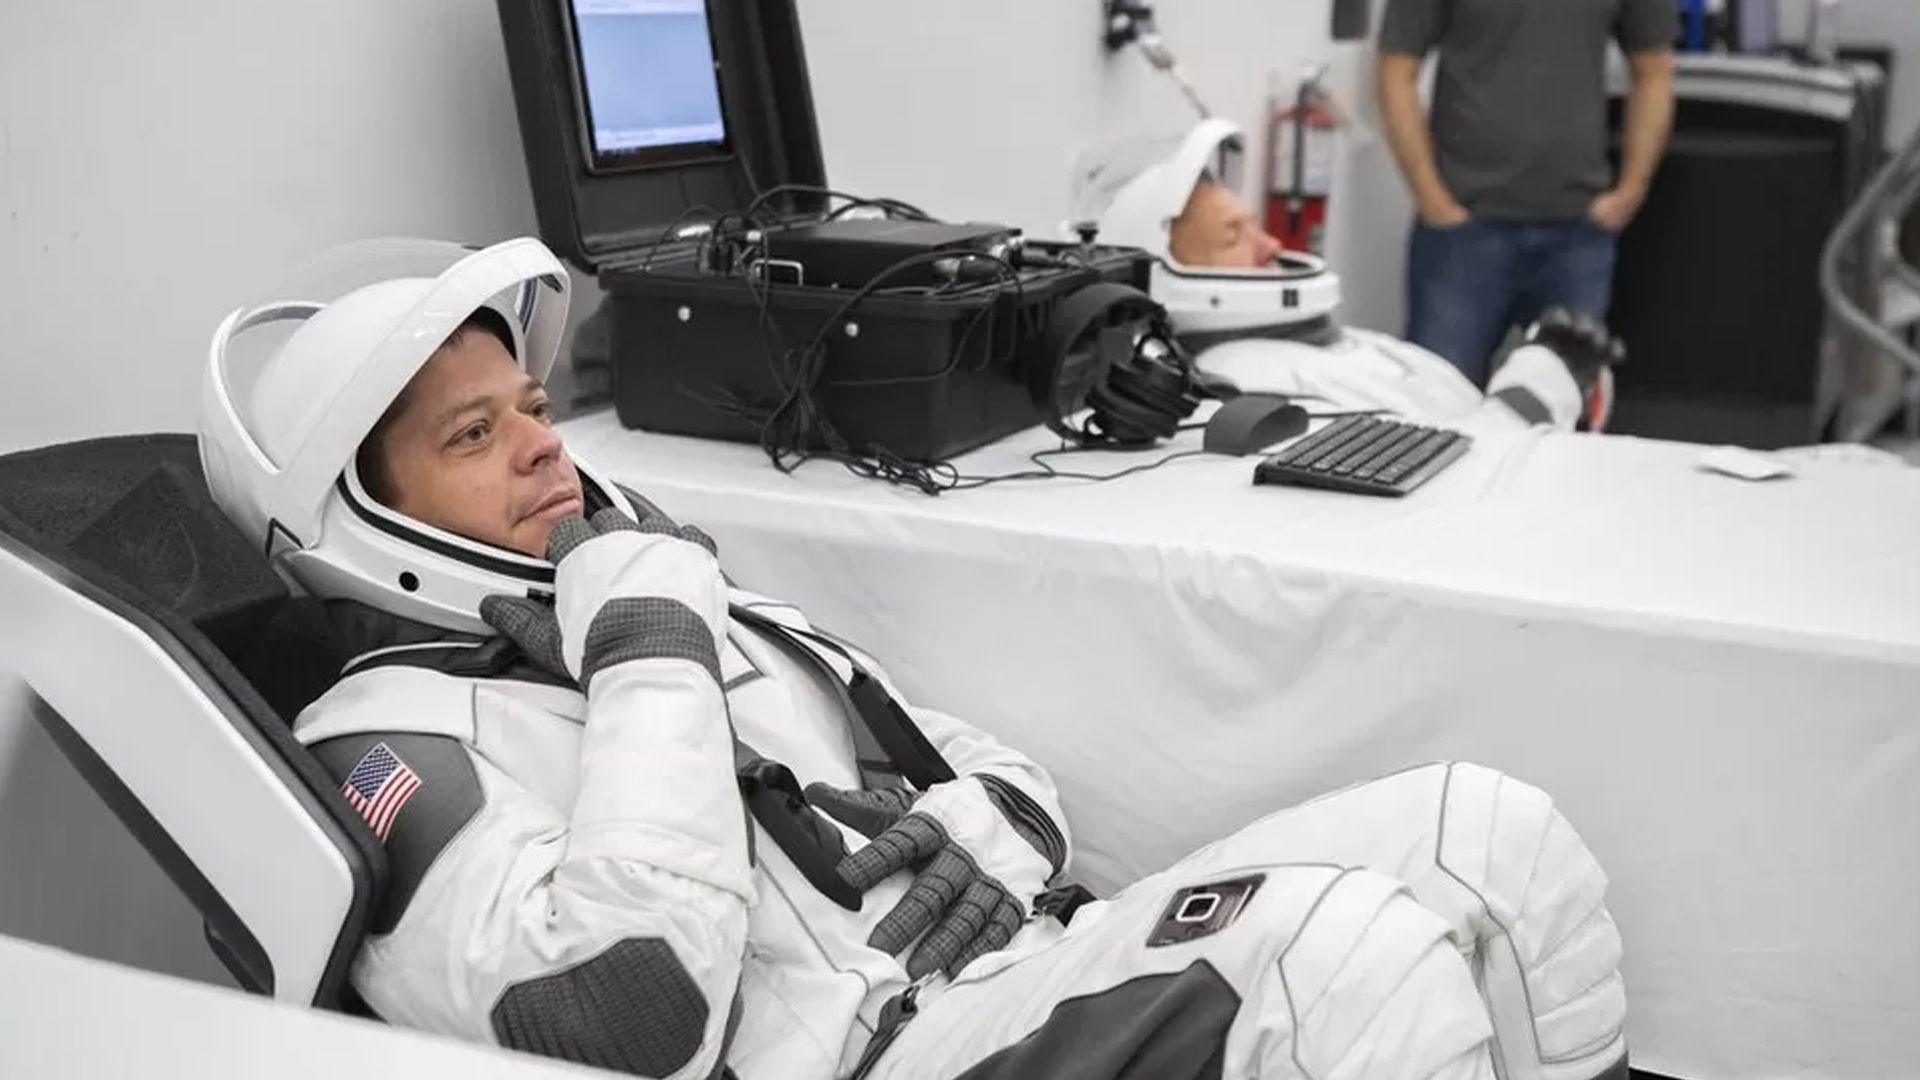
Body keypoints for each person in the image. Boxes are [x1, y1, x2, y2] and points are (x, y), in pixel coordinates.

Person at [199, 238, 1630, 1080]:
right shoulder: (380, 745)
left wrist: (988, 834)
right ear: (353, 513)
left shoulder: (659, 592)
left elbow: (970, 756)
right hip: (872, 1061)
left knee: (1498, 839)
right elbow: (634, 1013)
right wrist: (644, 638)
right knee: (1349, 967)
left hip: (1002, 966)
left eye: (528, 405)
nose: (543, 443)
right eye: (475, 435)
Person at [1086, 120, 1622, 435]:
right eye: (1234, 237)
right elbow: (1457, 478)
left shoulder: (1317, 344)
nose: (1272, 244)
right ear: (1177, 272)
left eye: (1255, 226)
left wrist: (1565, 378)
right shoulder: (1243, 381)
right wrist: (1544, 375)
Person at [1375, 0, 1676, 386]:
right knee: (1438, 406)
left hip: (1578, 236)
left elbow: (1654, 70)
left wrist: (1632, 190)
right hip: (1462, 236)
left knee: (1565, 410)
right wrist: (1431, 198)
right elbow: (1395, 71)